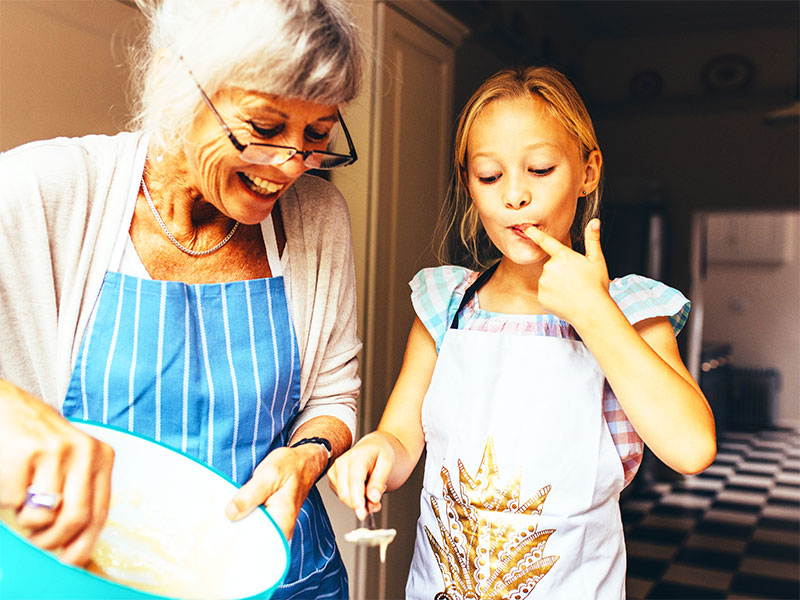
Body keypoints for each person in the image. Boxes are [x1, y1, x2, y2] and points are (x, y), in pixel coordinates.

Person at [0, 0, 362, 597]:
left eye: (317, 136)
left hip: (286, 580)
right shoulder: (50, 191)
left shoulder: (319, 220)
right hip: (96, 578)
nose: (292, 165)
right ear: (177, 82)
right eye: (266, 128)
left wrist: (308, 454)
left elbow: (333, 391)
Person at [328, 65, 716, 599]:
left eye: (539, 168)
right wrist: (375, 452)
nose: (515, 196)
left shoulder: (632, 310)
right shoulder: (445, 305)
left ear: (588, 171)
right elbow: (400, 438)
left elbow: (691, 448)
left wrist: (595, 313)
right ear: (470, 185)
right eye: (490, 176)